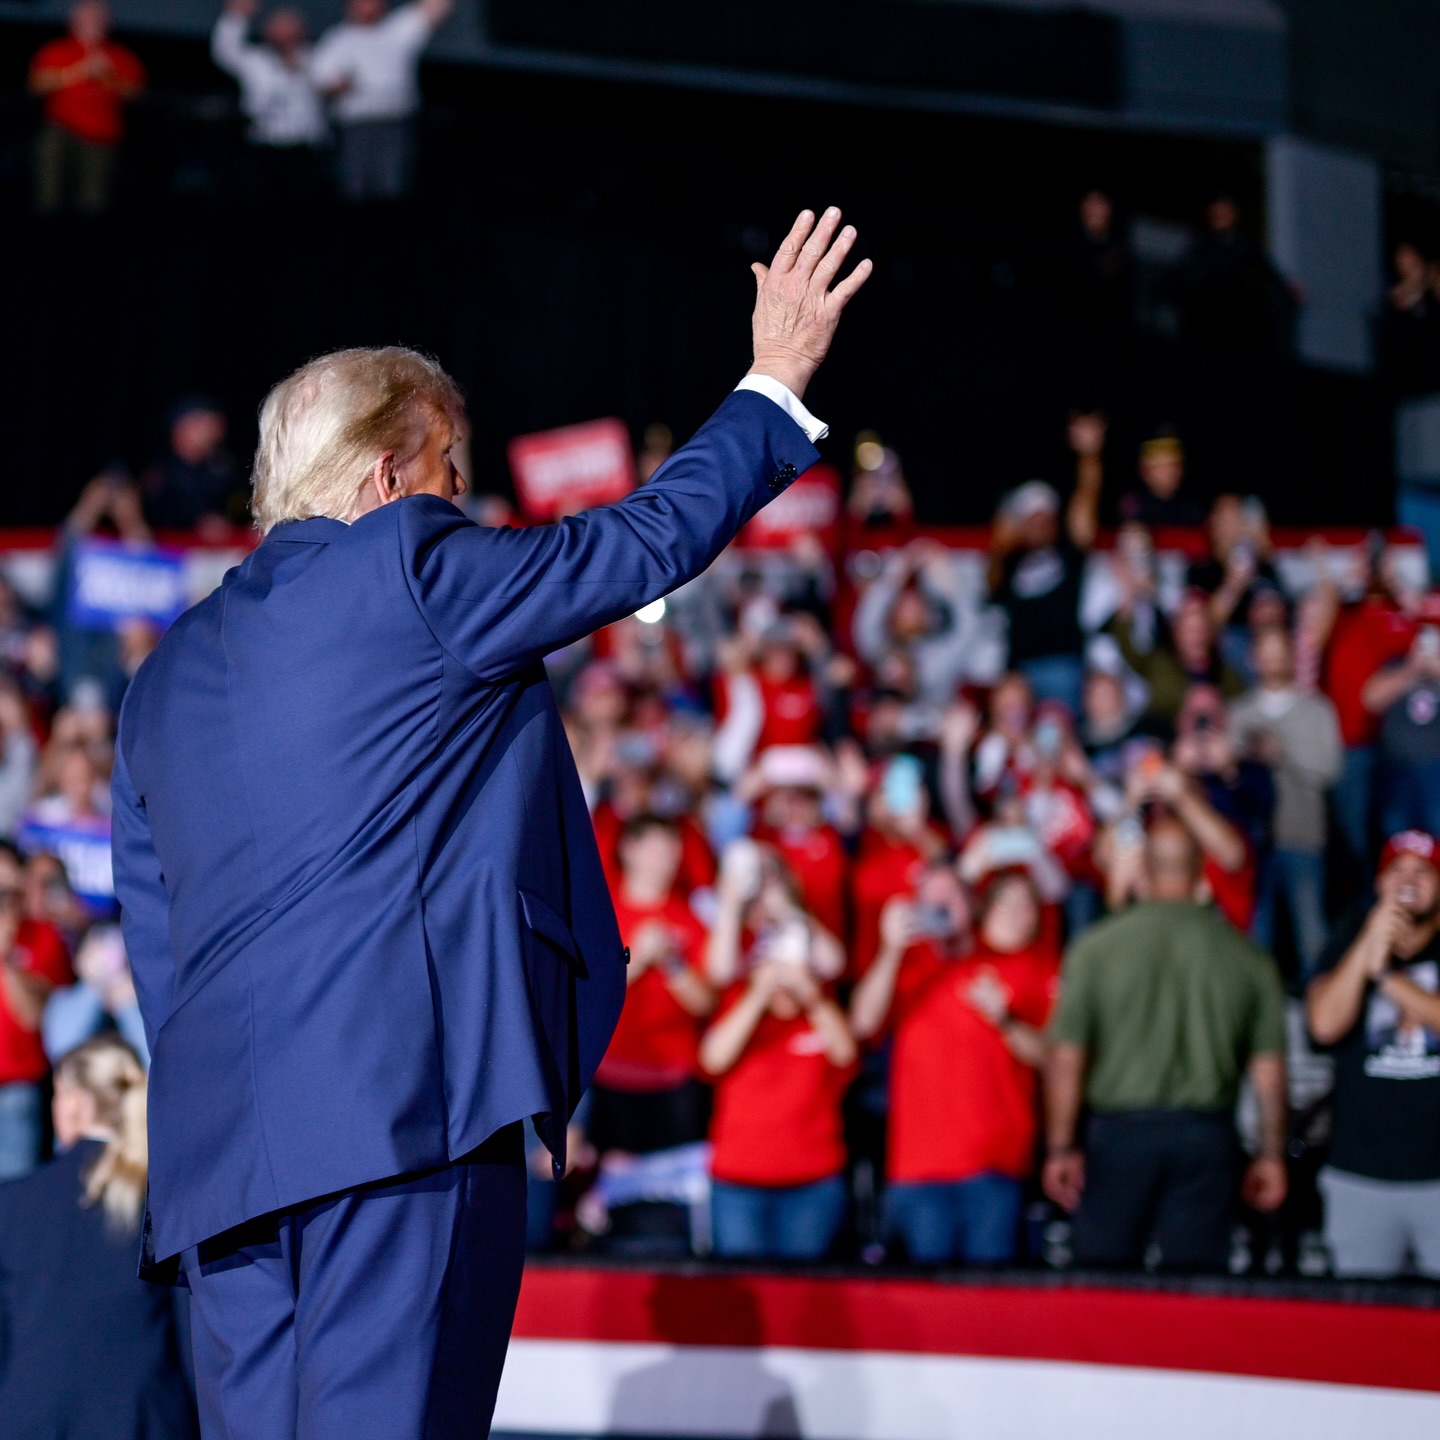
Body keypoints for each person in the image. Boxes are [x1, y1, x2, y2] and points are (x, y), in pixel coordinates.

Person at [110, 209, 869, 1438]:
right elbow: (638, 545)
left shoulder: (160, 679)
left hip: (220, 1167)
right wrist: (773, 383)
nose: (467, 505)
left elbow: (159, 950)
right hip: (394, 1120)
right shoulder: (410, 566)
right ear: (389, 473)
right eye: (455, 475)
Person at [1044, 815, 1288, 1270]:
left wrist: (1060, 1146)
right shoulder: (1246, 957)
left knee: (1104, 1287)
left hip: (1118, 1136)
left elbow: (1065, 1056)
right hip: (1207, 1137)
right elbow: (1269, 1072)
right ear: (1201, 869)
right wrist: (1271, 1154)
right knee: (1194, 1292)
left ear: (1145, 869)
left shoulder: (1098, 948)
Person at [852, 867, 1056, 1265]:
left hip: (993, 1167)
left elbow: (1051, 1057)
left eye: (952, 898)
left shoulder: (1015, 966)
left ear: (973, 905)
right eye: (932, 899)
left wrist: (1005, 1021)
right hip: (917, 1170)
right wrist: (890, 949)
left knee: (989, 1308)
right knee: (929, 1310)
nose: (942, 907)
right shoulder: (906, 967)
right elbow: (863, 1022)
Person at [0, 1035, 195, 1439]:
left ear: (73, 1101)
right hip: (146, 1416)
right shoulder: (162, 1196)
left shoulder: (13, 1202)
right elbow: (189, 1334)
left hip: (33, 1417)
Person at [699, 860, 858, 1260]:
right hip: (739, 1179)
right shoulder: (738, 997)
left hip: (813, 1181)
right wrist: (758, 994)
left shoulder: (819, 1004)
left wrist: (811, 995)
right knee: (742, 1305)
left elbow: (846, 1052)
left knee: (803, 1306)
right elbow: (713, 1059)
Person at [1307, 831, 1440, 1278]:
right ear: (1379, 883)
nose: (1409, 880)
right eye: (1397, 869)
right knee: (1359, 1329)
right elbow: (1323, 1024)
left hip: (1436, 1178)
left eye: (1423, 871)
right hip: (1359, 1176)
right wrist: (1369, 943)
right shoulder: (1349, 938)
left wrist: (1384, 976)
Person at [587, 814, 715, 1253]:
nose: (668, 860)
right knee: (605, 1198)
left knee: (669, 1197)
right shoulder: (601, 913)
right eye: (658, 848)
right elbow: (585, 991)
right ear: (631, 850)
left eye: (673, 850)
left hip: (673, 1080)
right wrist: (636, 960)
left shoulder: (688, 919)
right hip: (609, 1076)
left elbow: (706, 1003)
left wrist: (673, 964)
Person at [1230, 626, 1342, 979]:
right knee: (1253, 939)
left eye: (1281, 651)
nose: (1274, 660)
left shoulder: (1315, 710)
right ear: (1254, 658)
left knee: (1311, 936)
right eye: (1267, 651)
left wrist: (1281, 753)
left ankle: (1320, 1021)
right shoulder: (1239, 712)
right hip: (1251, 843)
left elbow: (1327, 769)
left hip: (1302, 835)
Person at [987, 411, 1104, 714]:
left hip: (1063, 665)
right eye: (1031, 517)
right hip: (1019, 669)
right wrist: (1000, 546)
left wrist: (1089, 455)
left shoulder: (1068, 551)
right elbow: (990, 586)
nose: (1039, 522)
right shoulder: (1010, 561)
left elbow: (1087, 499)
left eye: (1045, 515)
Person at [310, 0, 453, 202]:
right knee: (354, 187)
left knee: (393, 185)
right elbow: (319, 83)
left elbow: (436, 7)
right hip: (355, 127)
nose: (368, 6)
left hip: (394, 124)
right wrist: (339, 86)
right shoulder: (338, 39)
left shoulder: (398, 30)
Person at [28, 1, 145, 215]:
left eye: (99, 18)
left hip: (102, 134)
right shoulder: (55, 51)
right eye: (88, 18)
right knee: (49, 187)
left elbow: (135, 92)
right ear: (73, 22)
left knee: (94, 198)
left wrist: (107, 75)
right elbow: (37, 84)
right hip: (62, 129)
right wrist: (78, 71)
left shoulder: (120, 56)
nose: (94, 23)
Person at [0, 841, 73, 1179]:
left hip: (18, 1091)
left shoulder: (43, 936)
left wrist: (6, 954)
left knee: (13, 1201)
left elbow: (32, 1015)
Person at [212, 0, 327, 200]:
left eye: (290, 28)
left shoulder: (317, 58)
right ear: (267, 31)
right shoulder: (255, 60)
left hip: (305, 150)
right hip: (264, 146)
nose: (284, 35)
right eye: (278, 28)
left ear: (302, 32)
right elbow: (224, 50)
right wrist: (237, 15)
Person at [140, 399, 243, 535]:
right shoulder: (159, 470)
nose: (209, 433)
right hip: (169, 549)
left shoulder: (222, 466)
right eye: (199, 425)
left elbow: (240, 503)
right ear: (179, 429)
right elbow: (154, 516)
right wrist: (197, 523)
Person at [1116, 432, 1205, 528]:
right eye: (1161, 466)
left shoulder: (1191, 506)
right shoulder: (1133, 504)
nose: (1170, 472)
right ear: (1144, 471)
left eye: (1174, 465)